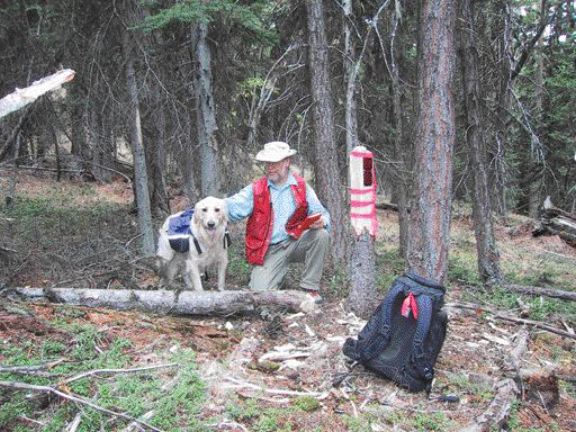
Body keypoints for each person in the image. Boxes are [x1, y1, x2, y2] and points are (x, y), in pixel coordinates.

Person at [225, 141, 330, 298]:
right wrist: (211, 207)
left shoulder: (301, 186)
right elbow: (233, 206)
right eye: (268, 163)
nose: (270, 167)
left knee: (321, 235)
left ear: (287, 162)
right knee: (259, 297)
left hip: (294, 242)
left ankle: (310, 289)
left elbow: (321, 213)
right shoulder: (256, 189)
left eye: (274, 163)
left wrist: (322, 221)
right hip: (269, 251)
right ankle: (275, 278)